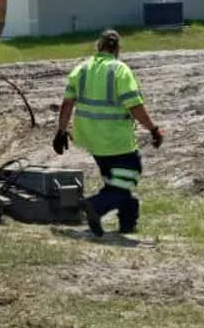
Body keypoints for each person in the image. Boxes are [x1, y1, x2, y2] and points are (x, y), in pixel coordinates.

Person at [53, 29, 164, 236]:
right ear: (118, 49)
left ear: (98, 46)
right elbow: (135, 106)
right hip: (117, 141)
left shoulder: (81, 69)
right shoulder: (120, 70)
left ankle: (128, 224)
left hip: (92, 142)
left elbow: (67, 103)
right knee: (128, 177)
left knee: (117, 183)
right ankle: (95, 206)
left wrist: (61, 131)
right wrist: (153, 129)